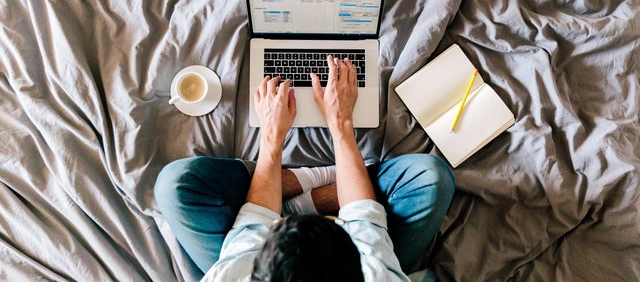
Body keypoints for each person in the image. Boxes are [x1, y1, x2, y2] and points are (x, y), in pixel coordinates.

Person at [155, 56, 455, 281]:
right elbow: (364, 216)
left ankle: (293, 194)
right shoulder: (376, 275)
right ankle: (323, 189)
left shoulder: (235, 276)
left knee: (173, 185)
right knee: (431, 179)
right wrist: (341, 125)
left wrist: (272, 138)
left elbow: (254, 223)